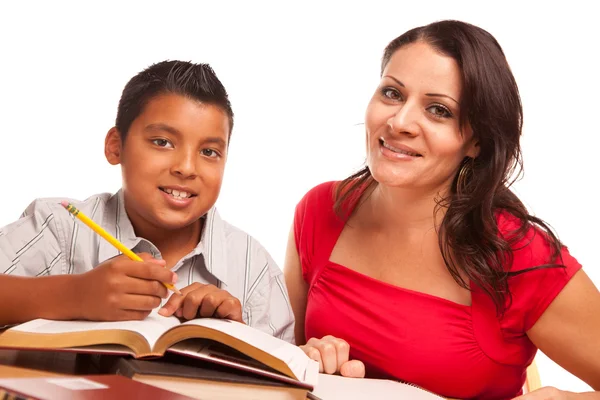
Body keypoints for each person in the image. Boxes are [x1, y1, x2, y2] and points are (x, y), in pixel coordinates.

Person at [284, 20, 600, 398]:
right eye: (392, 93)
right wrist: (307, 359)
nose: (400, 122)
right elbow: (282, 366)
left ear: (476, 142)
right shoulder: (320, 210)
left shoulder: (519, 254)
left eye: (438, 110)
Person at [0, 60, 294, 344]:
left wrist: (237, 336)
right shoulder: (61, 229)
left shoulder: (253, 268)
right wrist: (74, 295)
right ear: (116, 146)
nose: (187, 167)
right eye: (162, 142)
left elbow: (291, 375)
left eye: (209, 152)